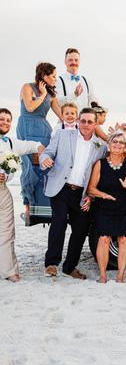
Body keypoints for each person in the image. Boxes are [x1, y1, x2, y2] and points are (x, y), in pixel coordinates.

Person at [40, 108, 107, 279]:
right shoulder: (63, 135)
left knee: (81, 228)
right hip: (61, 188)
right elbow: (47, 152)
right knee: (59, 221)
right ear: (78, 121)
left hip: (82, 194)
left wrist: (90, 196)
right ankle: (51, 264)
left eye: (89, 122)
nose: (85, 124)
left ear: (95, 124)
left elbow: (97, 175)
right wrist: (44, 159)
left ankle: (69, 267)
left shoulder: (100, 146)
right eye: (82, 121)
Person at [87, 132, 126, 283]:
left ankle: (120, 276)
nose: (117, 145)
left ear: (125, 146)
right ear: (109, 145)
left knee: (124, 239)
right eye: (114, 142)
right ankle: (103, 276)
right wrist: (103, 195)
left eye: (121, 143)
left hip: (125, 206)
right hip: (104, 207)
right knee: (103, 239)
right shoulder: (100, 164)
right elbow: (91, 189)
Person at [0, 108, 44, 282]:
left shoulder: (10, 142)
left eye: (7, 120)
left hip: (3, 191)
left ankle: (9, 271)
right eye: (1, 119)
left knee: (7, 232)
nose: (4, 122)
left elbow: (31, 145)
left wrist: (42, 150)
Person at [17, 62, 62, 210]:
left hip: (43, 130)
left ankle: (44, 203)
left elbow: (62, 116)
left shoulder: (52, 95)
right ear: (44, 76)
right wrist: (42, 95)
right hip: (26, 127)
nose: (55, 79)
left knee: (44, 164)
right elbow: (30, 107)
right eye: (53, 76)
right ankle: (28, 204)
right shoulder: (27, 87)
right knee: (28, 165)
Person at [56, 48, 95, 112]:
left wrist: (95, 103)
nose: (73, 62)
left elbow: (91, 98)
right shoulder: (58, 81)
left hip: (84, 120)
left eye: (76, 60)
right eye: (70, 60)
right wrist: (74, 95)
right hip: (66, 121)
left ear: (79, 62)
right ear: (65, 62)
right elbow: (58, 102)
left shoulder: (87, 81)